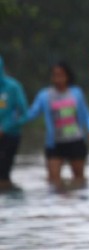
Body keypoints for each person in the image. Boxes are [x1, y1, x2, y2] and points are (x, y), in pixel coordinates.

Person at [23, 61, 89, 188]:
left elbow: (86, 114)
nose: (58, 79)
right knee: (53, 180)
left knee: (79, 179)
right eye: (55, 75)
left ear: (67, 76)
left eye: (61, 75)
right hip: (54, 143)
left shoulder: (76, 93)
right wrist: (13, 120)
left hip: (76, 140)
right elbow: (31, 114)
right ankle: (55, 206)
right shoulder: (44, 95)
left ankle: (79, 205)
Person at [0, 55, 28, 191]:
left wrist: (5, 128)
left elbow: (24, 114)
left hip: (10, 135)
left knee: (3, 173)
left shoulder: (13, 87)